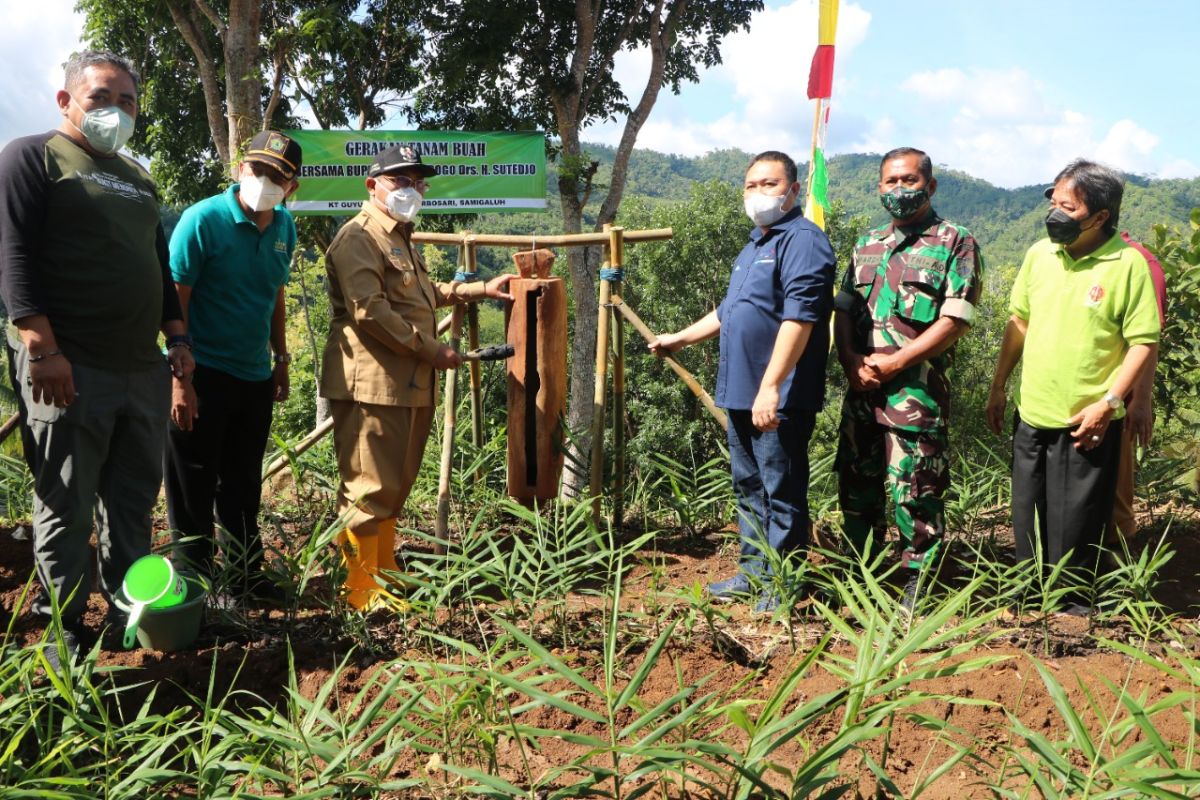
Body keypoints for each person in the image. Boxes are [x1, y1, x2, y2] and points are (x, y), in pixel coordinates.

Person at [0, 50, 194, 663]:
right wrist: (42, 347)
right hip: (69, 365)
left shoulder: (138, 178)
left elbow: (158, 269)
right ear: (66, 101)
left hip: (140, 367)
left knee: (134, 500)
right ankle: (63, 628)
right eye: (101, 98)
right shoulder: (32, 157)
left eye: (128, 101)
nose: (117, 111)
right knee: (66, 502)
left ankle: (124, 614)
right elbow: (15, 257)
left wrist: (178, 340)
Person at [320, 144, 513, 610]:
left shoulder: (400, 236)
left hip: (407, 385)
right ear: (373, 186)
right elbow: (370, 312)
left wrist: (480, 288)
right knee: (368, 487)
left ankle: (383, 573)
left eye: (417, 182)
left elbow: (423, 296)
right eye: (400, 180)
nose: (411, 189)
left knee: (395, 484)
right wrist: (433, 350)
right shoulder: (358, 237)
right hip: (372, 386)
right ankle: (361, 591)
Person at [652, 150, 836, 613]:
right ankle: (753, 574)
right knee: (749, 486)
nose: (758, 193)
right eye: (751, 185)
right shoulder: (754, 244)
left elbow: (800, 318)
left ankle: (783, 583)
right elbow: (728, 311)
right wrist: (680, 339)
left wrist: (771, 386)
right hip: (739, 391)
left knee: (781, 488)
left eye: (769, 184)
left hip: (778, 395)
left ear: (793, 190)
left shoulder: (803, 241)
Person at [986, 160, 1160, 615]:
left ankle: (1071, 613)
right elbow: (1019, 321)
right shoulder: (1039, 255)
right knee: (1028, 517)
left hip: (1088, 419)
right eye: (1054, 202)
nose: (1055, 214)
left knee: (1077, 524)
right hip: (1033, 411)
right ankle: (1027, 604)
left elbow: (1143, 341)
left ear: (1100, 216)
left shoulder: (1127, 265)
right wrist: (1000, 384)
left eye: (1069, 206)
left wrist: (1109, 403)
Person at [833, 147, 983, 607]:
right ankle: (859, 575)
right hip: (862, 390)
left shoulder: (954, 241)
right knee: (856, 483)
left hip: (916, 394)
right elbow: (843, 309)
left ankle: (918, 586)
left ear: (930, 186)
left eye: (910, 181)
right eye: (891, 182)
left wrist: (898, 362)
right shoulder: (866, 244)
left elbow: (955, 320)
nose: (900, 190)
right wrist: (850, 360)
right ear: (879, 187)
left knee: (915, 488)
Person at [163, 131, 302, 601]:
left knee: (243, 481)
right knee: (193, 484)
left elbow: (274, 295)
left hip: (253, 375)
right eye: (256, 169)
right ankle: (194, 586)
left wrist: (279, 358)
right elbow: (173, 300)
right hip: (202, 373)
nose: (263, 180)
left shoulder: (285, 227)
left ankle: (246, 578)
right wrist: (181, 381)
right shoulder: (201, 221)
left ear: (291, 187)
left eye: (276, 176)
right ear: (240, 168)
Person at [1108, 233, 1166, 546]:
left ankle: (1117, 573)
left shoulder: (1141, 262)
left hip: (1118, 400)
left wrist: (1141, 400)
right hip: (1074, 399)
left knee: (1116, 493)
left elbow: (1148, 338)